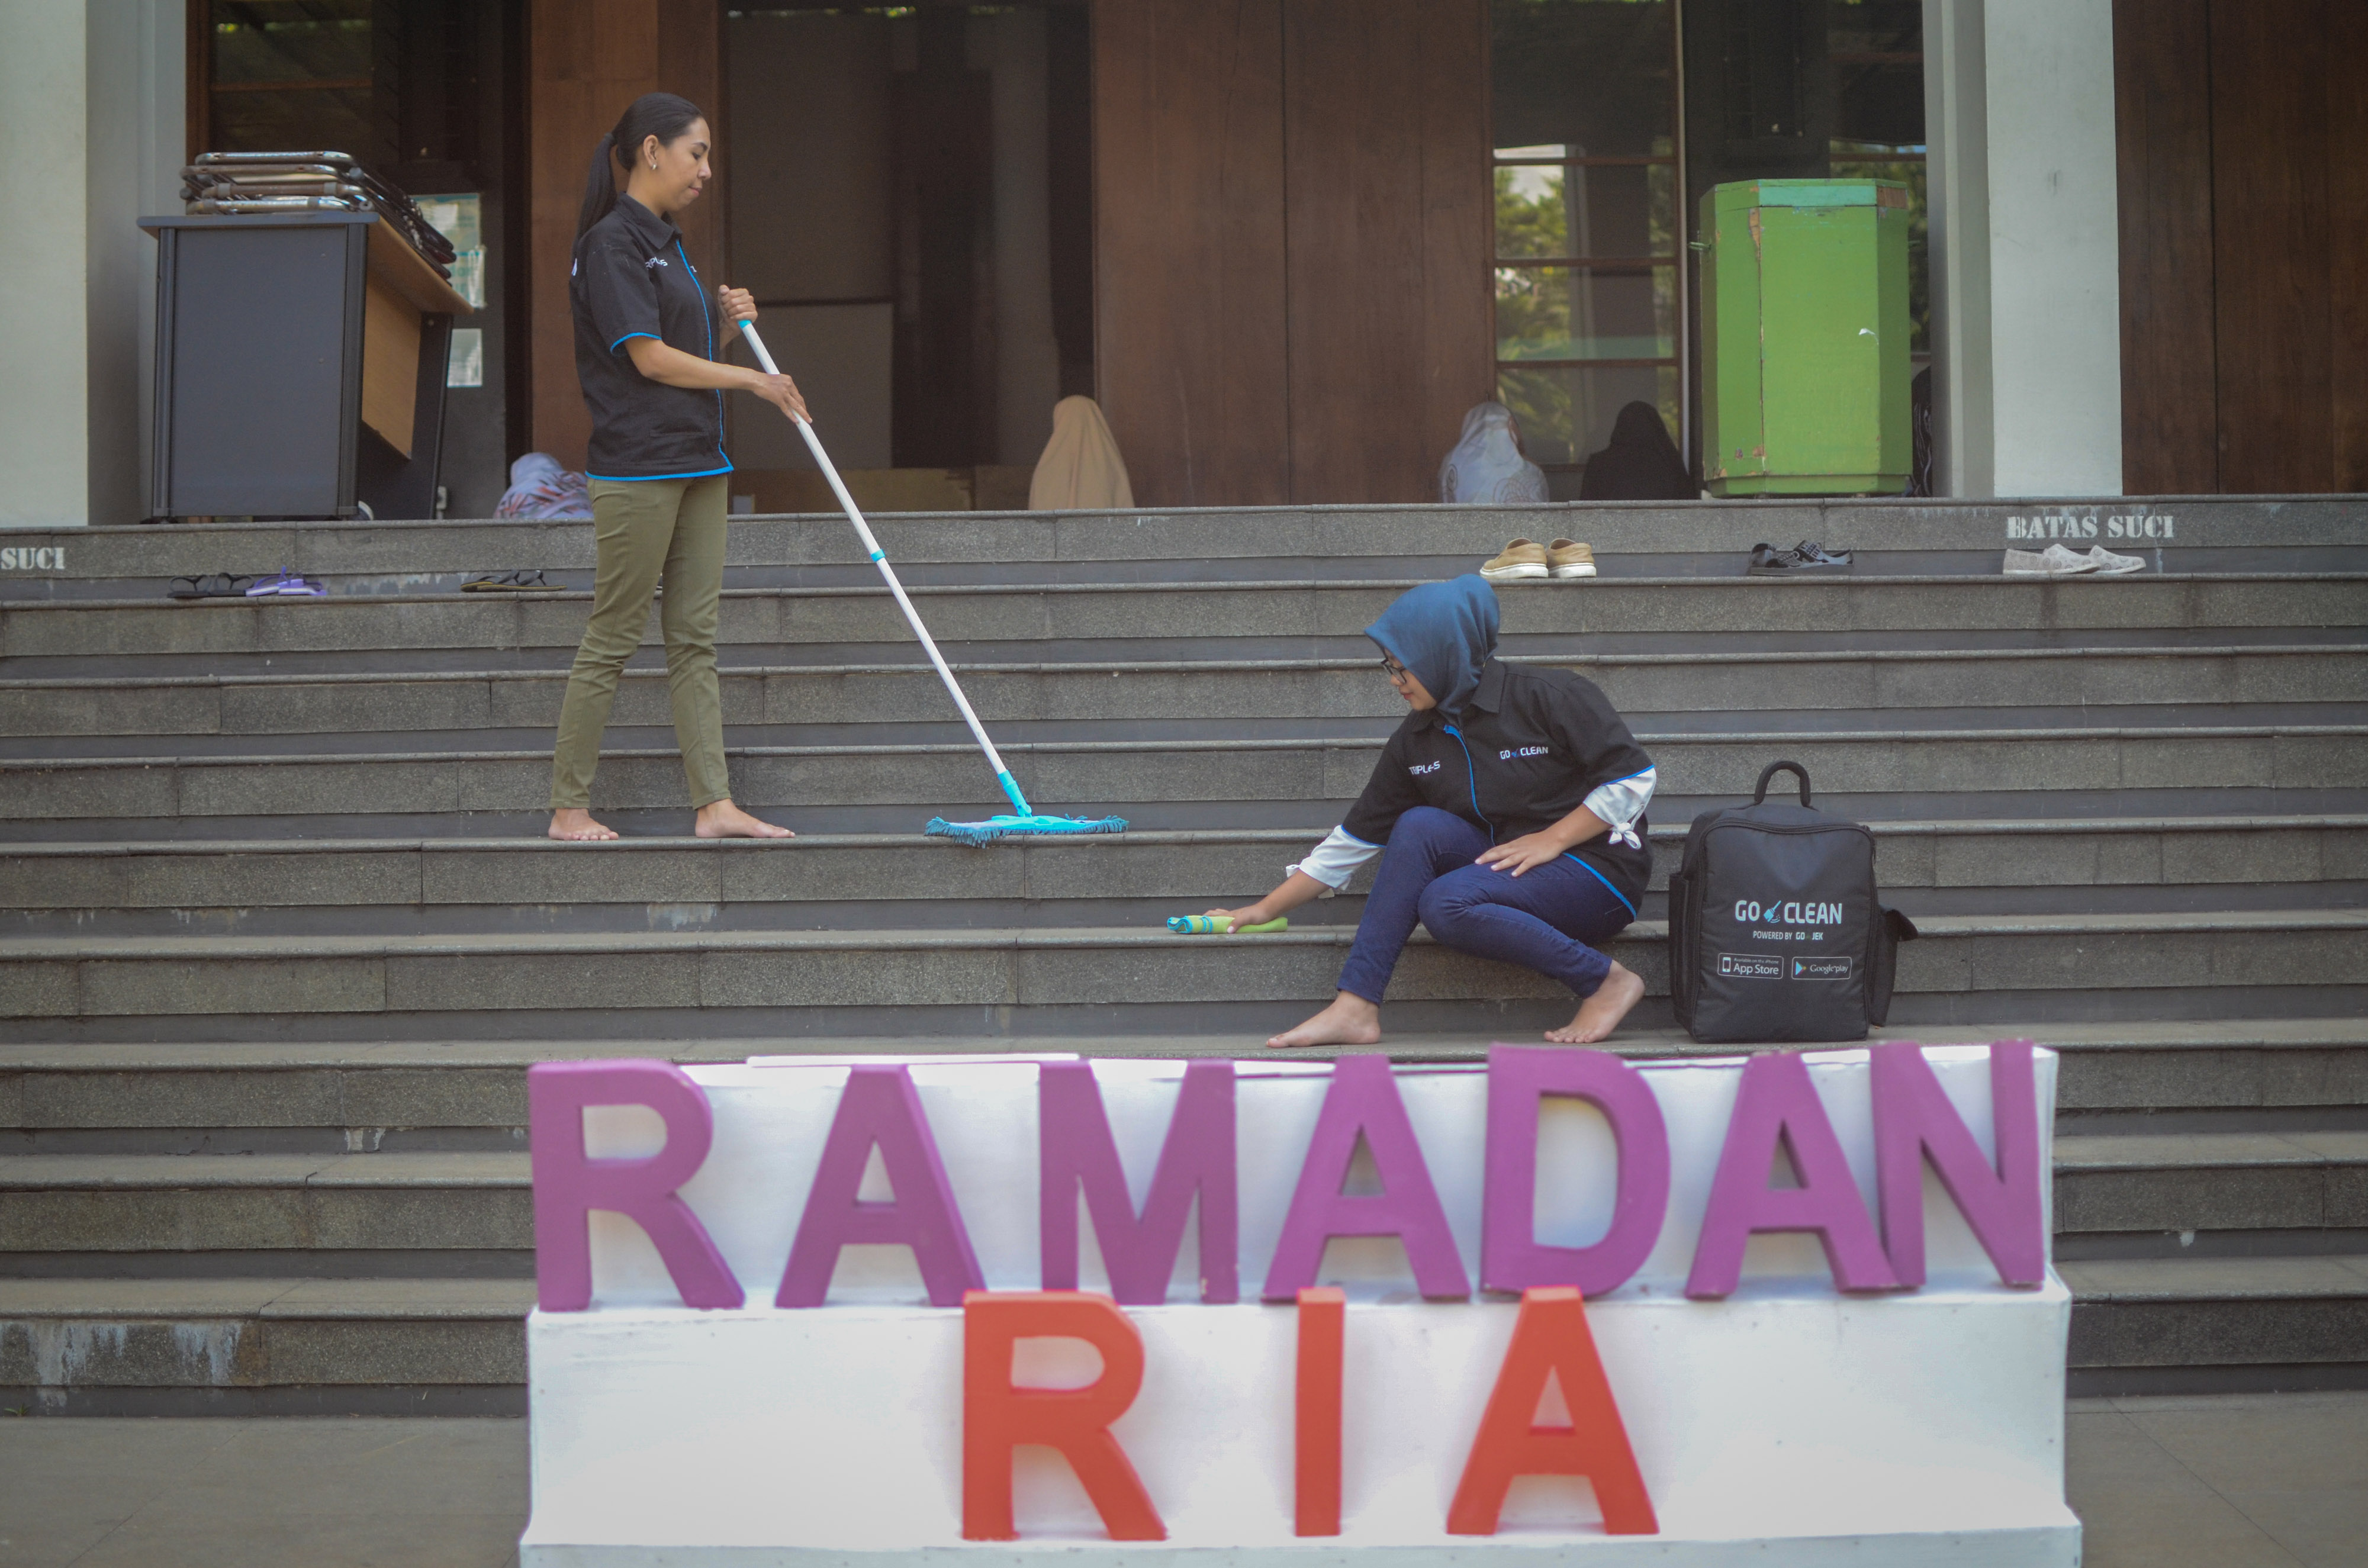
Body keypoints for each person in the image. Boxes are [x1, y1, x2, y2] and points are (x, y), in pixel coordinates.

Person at [1206, 576, 1654, 1048]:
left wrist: (1555, 838)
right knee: (1418, 824)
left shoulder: (1548, 695)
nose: (1396, 682)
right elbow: (1356, 838)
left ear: (1446, 654)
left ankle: (1606, 981)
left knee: (1444, 901)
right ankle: (1356, 1005)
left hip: (1598, 872)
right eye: (1390, 668)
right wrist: (1262, 909)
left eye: (1404, 669)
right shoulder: (1418, 737)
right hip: (1512, 870)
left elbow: (1634, 778)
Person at [548, 92, 809, 842]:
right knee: (614, 634)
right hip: (638, 469)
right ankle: (569, 809)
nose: (707, 171)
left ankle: (714, 804)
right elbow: (649, 360)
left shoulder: (669, 244)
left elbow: (684, 360)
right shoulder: (611, 245)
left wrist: (726, 336)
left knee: (694, 638)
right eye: (697, 154)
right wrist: (756, 382)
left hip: (700, 461)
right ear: (652, 150)